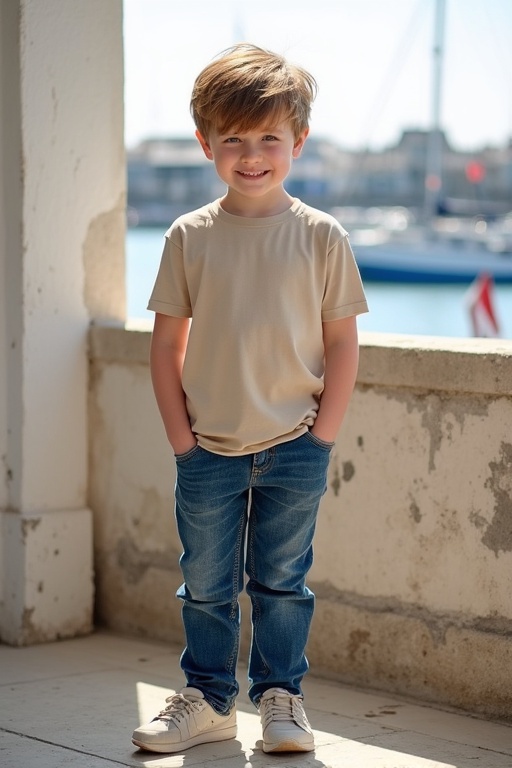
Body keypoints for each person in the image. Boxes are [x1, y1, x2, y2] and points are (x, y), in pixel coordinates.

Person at [132, 42, 368, 755]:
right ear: (206, 143)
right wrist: (182, 442)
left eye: (270, 136)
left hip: (296, 445)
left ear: (298, 139)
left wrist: (320, 438)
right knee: (203, 586)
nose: (252, 153)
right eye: (233, 138)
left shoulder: (322, 237)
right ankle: (206, 699)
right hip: (207, 448)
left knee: (282, 586)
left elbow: (343, 347)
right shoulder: (188, 237)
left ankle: (280, 697)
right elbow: (166, 346)